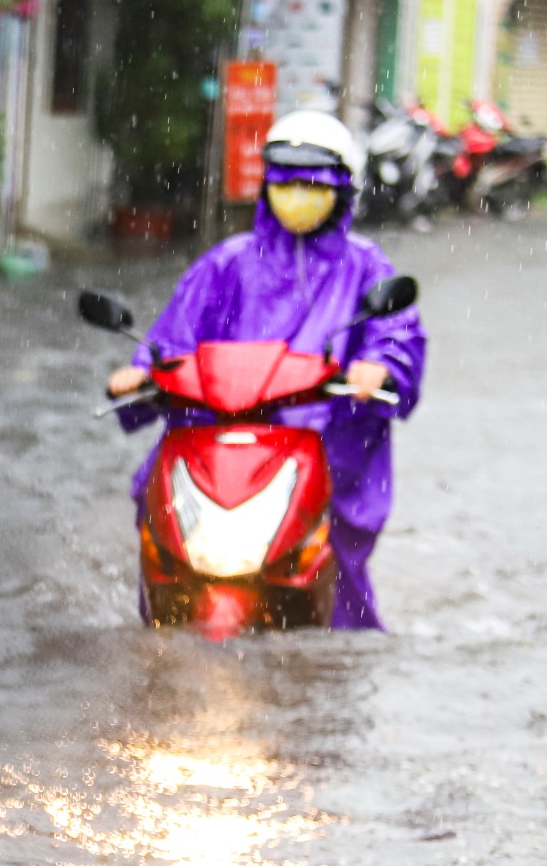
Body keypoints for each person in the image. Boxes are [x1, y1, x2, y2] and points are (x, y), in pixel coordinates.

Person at [106, 110, 427, 629]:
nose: (297, 194)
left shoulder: (367, 267)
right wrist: (143, 370)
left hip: (323, 443)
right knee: (160, 521)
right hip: (221, 438)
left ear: (343, 190)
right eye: (287, 182)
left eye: (312, 184)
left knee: (334, 575)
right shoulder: (228, 263)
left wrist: (378, 368)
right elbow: (174, 335)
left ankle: (333, 664)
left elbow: (397, 336)